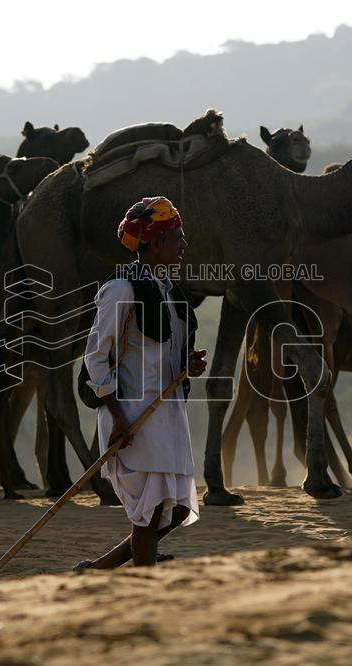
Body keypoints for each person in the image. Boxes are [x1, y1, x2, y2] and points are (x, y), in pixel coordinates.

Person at [75, 196, 208, 569]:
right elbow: (96, 357)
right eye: (177, 237)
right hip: (134, 416)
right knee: (150, 514)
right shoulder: (121, 290)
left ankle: (100, 567)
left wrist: (187, 365)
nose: (183, 245)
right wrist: (117, 415)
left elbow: (166, 354)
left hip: (168, 414)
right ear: (155, 242)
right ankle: (143, 587)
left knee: (177, 509)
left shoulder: (169, 291)